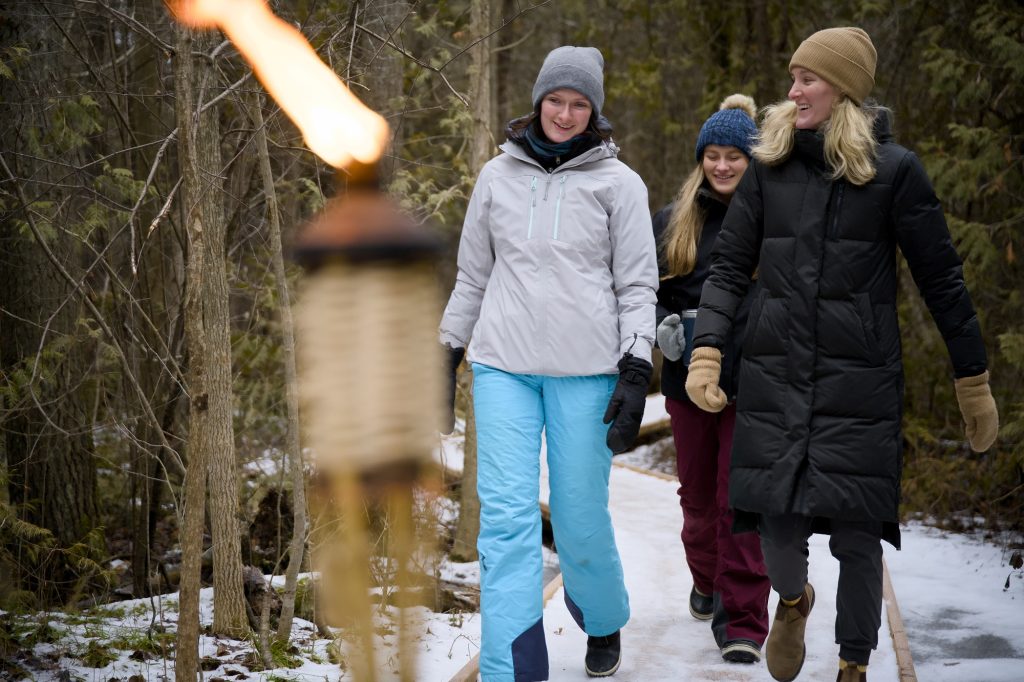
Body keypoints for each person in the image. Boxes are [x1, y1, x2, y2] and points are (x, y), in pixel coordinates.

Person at [683, 27, 999, 682]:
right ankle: (793, 602)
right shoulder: (768, 171)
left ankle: (854, 663)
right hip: (775, 375)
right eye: (792, 77)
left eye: (808, 79)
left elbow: (941, 278)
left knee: (860, 540)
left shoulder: (894, 173)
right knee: (777, 532)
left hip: (861, 384)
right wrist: (707, 351)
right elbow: (727, 268)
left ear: (844, 88)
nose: (793, 90)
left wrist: (972, 379)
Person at [440, 45, 658, 681]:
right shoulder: (496, 177)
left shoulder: (620, 185)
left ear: (595, 112)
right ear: (537, 102)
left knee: (578, 518)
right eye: (556, 100)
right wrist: (447, 349)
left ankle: (603, 615)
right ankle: (515, 669)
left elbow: (638, 287)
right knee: (506, 520)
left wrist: (636, 366)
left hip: (586, 373)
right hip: (503, 366)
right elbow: (473, 276)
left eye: (579, 103)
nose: (565, 113)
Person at [652, 93, 771, 665]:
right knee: (699, 504)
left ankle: (744, 620)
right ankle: (707, 579)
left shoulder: (774, 221)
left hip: (751, 383)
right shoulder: (673, 223)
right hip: (685, 383)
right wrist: (664, 328)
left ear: (754, 161)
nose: (722, 166)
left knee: (739, 502)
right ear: (700, 159)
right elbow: (644, 293)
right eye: (713, 155)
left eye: (735, 157)